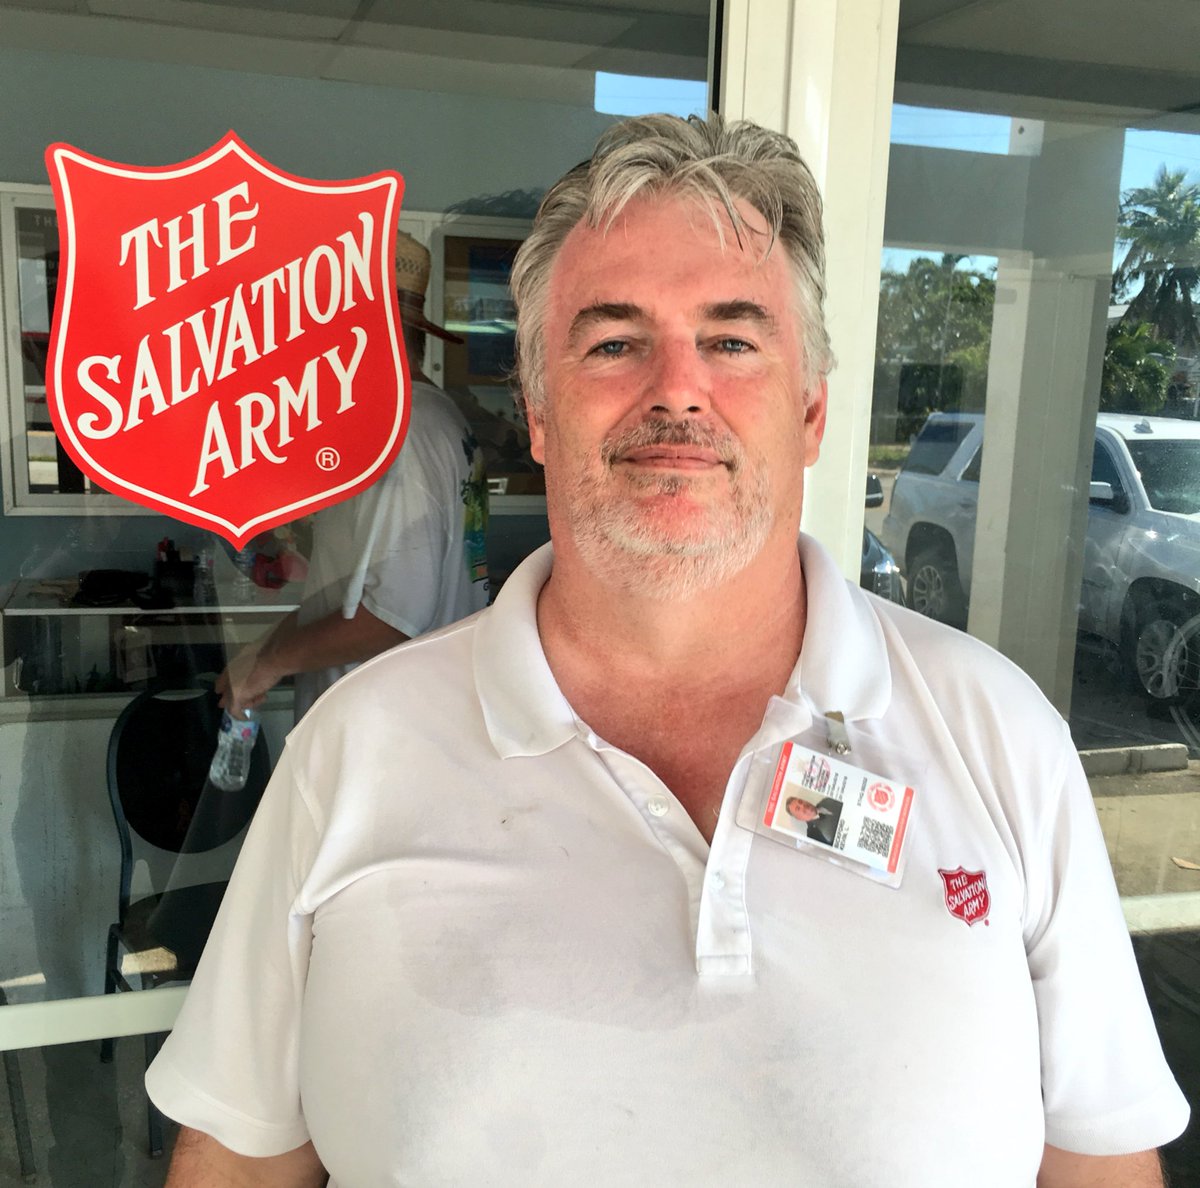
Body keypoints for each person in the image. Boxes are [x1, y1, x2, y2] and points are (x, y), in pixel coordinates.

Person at [148, 114, 1187, 1185]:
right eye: (613, 343)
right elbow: (237, 1160)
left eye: (733, 341)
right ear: (538, 414)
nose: (677, 389)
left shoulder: (1000, 739)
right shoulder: (353, 752)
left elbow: (1100, 1163)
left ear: (812, 410)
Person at [215, 232, 490, 721]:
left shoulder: (400, 435)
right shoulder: (431, 418)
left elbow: (394, 618)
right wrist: (263, 650)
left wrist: (270, 664)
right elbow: (348, 594)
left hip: (388, 731)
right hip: (401, 720)